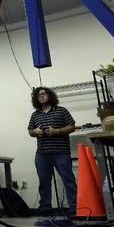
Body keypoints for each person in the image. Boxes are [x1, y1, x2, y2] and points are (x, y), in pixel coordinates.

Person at [27, 87, 77, 216]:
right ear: (36, 99)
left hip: (61, 152)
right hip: (42, 153)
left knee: (68, 180)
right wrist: (35, 132)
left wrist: (57, 131)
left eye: (44, 93)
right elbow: (30, 131)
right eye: (39, 95)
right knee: (44, 181)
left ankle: (75, 207)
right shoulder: (35, 114)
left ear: (50, 95)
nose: (42, 96)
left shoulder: (61, 111)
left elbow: (72, 126)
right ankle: (45, 207)